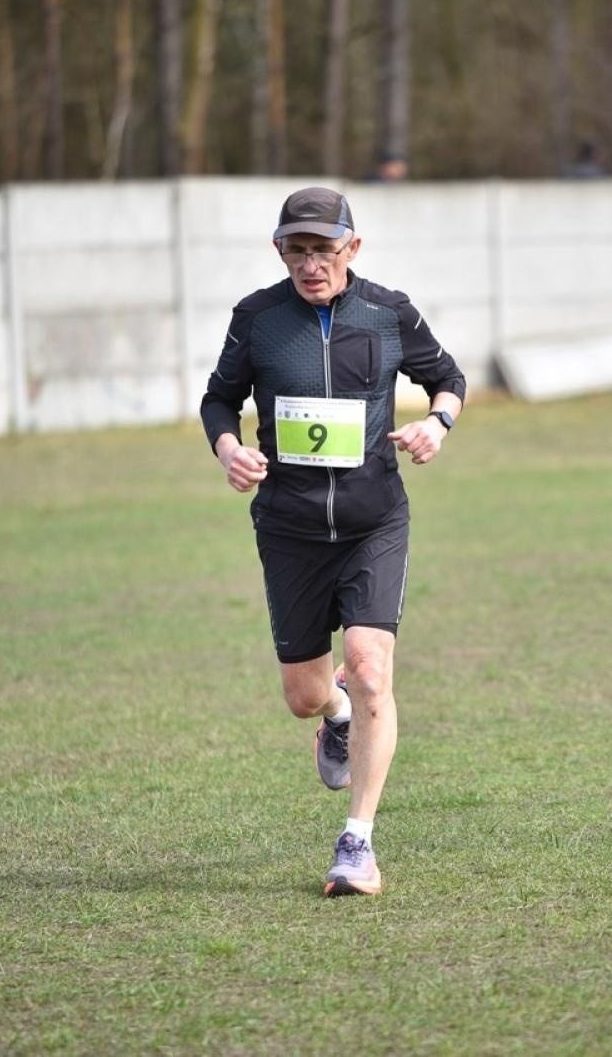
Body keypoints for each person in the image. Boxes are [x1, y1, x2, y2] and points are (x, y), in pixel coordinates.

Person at [199, 186, 466, 896]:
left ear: (353, 246)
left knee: (371, 663)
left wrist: (437, 425)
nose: (310, 263)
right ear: (279, 251)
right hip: (289, 526)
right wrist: (227, 447)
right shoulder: (257, 319)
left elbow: (448, 379)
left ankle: (358, 844)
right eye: (297, 249)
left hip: (374, 517)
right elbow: (218, 397)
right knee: (303, 694)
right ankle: (336, 714)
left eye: (324, 249)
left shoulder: (388, 312)